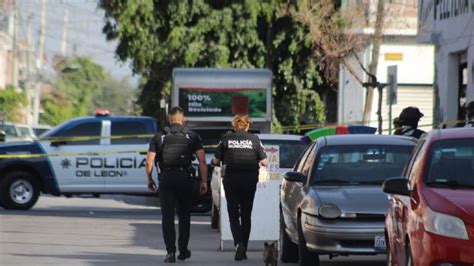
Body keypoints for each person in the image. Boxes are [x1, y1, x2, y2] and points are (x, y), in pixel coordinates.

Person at [145, 106, 208, 263]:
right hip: (185, 178)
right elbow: (202, 161)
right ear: (183, 118)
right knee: (184, 215)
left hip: (166, 179)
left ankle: (170, 252)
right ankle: (183, 250)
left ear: (168, 119)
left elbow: (149, 161)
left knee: (167, 216)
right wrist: (204, 181)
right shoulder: (192, 136)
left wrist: (150, 179)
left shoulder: (159, 136)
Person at [212, 115, 268, 261]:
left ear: (235, 125)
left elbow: (216, 160)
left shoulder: (225, 139)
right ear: (247, 125)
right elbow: (265, 161)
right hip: (249, 181)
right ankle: (244, 247)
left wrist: (215, 160)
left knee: (233, 215)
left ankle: (238, 245)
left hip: (231, 181)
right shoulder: (254, 139)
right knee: (246, 215)